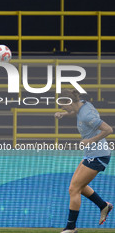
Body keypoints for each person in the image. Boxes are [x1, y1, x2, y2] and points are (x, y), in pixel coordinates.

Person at [54, 89, 113, 233]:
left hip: (98, 155)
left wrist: (90, 140)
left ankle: (71, 228)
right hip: (91, 154)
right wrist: (64, 114)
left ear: (70, 102)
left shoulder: (87, 114)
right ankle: (103, 205)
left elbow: (108, 129)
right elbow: (75, 112)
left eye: (63, 106)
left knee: (74, 189)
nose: (62, 107)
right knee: (78, 186)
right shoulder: (83, 105)